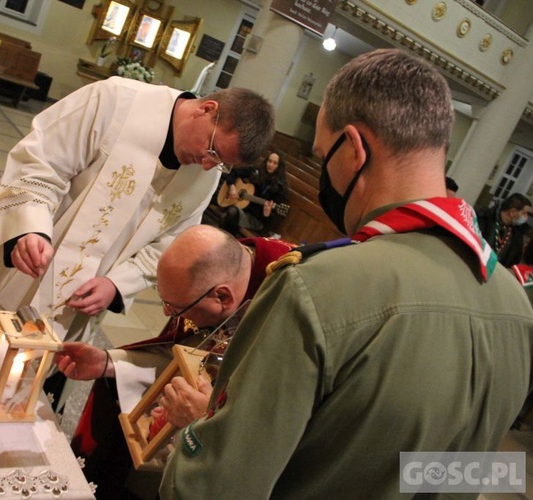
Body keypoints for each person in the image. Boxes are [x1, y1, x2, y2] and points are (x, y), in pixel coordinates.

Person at [161, 49, 533, 499]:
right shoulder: (516, 306)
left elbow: (217, 489)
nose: (324, 174)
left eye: (323, 156)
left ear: (354, 150)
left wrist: (199, 431)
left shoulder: (319, 285)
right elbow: (469, 473)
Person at [0, 78, 275, 346]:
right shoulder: (117, 101)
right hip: (22, 264)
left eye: (220, 162)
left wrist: (117, 284)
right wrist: (30, 227)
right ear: (206, 110)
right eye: (212, 150)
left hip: (74, 307)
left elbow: (171, 244)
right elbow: (40, 161)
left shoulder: (206, 177)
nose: (208, 165)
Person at [54, 225, 296, 498]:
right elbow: (181, 353)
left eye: (175, 307)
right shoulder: (220, 264)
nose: (167, 313)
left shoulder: (289, 308)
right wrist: (106, 363)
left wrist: (207, 419)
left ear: (223, 297)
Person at [214, 151, 289, 237]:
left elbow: (271, 222)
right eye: (269, 161)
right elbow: (232, 172)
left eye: (275, 163)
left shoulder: (279, 188)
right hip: (241, 208)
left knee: (230, 213)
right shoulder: (256, 172)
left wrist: (266, 214)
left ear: (279, 167)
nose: (270, 165)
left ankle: (225, 242)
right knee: (217, 201)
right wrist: (232, 186)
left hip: (255, 219)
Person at [476, 192, 531, 267]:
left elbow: (513, 262)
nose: (526, 217)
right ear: (513, 212)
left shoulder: (517, 235)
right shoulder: (482, 217)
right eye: (524, 213)